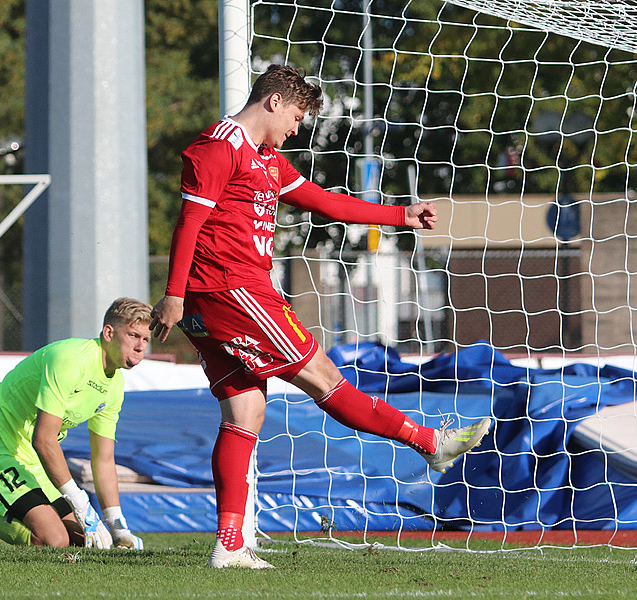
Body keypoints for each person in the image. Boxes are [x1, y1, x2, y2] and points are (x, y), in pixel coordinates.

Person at [149, 64, 493, 569]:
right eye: (295, 115)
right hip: (232, 291)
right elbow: (190, 221)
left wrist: (401, 215)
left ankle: (228, 545)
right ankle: (429, 443)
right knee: (323, 375)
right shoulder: (220, 145)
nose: (296, 127)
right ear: (272, 102)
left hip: (220, 299)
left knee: (245, 413)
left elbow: (324, 202)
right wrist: (173, 293)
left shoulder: (266, 158)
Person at [0, 297, 152, 550]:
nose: (140, 347)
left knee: (86, 542)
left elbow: (103, 459)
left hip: (34, 461)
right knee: (53, 540)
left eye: (145, 340)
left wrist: (117, 525)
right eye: (133, 335)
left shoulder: (116, 385)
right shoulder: (71, 359)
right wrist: (80, 503)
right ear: (109, 333)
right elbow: (44, 439)